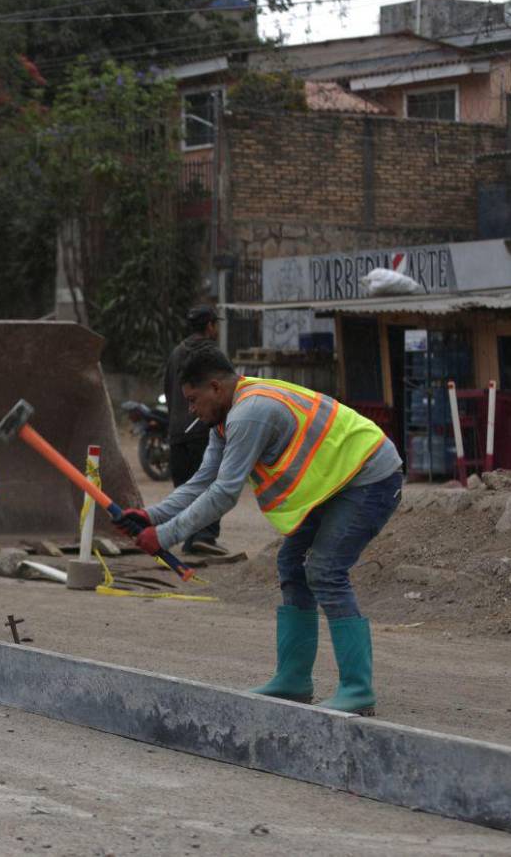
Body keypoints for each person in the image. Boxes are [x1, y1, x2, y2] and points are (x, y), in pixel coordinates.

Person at [119, 347, 402, 716]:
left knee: (325, 570)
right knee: (292, 565)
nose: (191, 409)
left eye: (193, 399)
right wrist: (151, 516)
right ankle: (294, 680)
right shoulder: (226, 418)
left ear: (216, 388)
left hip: (371, 477)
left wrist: (166, 536)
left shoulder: (250, 414)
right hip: (339, 483)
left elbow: (224, 493)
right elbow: (202, 481)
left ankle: (357, 689)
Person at [163, 305, 225, 555]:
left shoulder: (177, 352)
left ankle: (191, 537)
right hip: (203, 431)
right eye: (215, 324)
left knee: (186, 487)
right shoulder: (213, 354)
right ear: (210, 325)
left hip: (177, 432)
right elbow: (223, 392)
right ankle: (205, 537)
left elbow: (167, 388)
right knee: (209, 484)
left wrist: (175, 422)